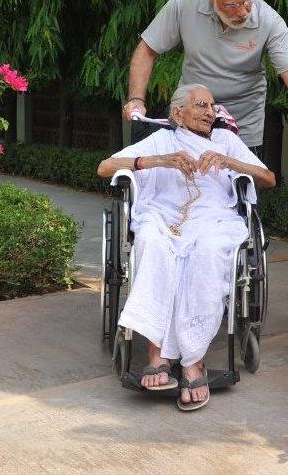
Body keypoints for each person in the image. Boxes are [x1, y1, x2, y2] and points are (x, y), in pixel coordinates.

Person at [97, 84, 276, 411]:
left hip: (213, 218)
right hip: (165, 215)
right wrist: (158, 160)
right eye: (201, 105)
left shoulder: (226, 141)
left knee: (207, 252)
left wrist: (228, 162)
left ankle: (194, 360)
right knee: (151, 242)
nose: (210, 112)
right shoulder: (162, 139)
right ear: (177, 114)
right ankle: (159, 357)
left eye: (211, 105)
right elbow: (105, 168)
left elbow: (268, 177)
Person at [122, 0, 288, 166]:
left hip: (243, 123)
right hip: (191, 116)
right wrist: (136, 99)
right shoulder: (185, 2)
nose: (242, 11)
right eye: (232, 5)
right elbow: (147, 49)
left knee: (241, 191)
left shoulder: (269, 21)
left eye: (247, 0)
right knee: (187, 184)